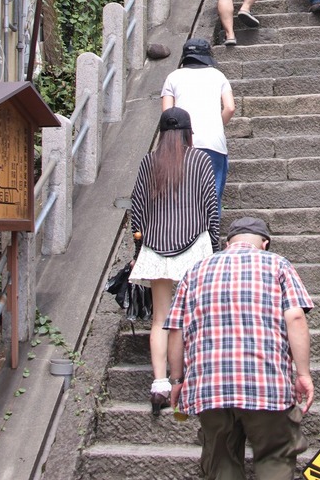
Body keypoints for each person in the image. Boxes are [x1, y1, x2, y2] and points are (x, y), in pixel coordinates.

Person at [166, 216, 314, 480]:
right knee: (275, 455)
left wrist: (177, 380)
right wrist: (302, 374)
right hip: (267, 384)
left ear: (227, 242)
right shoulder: (278, 265)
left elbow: (176, 329)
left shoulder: (195, 270)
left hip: (208, 387)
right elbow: (295, 317)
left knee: (220, 460)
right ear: (265, 243)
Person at [129, 107, 219, 415]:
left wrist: (137, 247)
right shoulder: (201, 160)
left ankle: (160, 383)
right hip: (194, 243)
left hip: (155, 246)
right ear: (188, 132)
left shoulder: (148, 162)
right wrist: (215, 246)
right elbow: (211, 208)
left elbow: (137, 210)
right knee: (193, 316)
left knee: (160, 319)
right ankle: (189, 377)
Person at [161, 38, 235, 214]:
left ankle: (184, 235)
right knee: (212, 195)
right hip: (213, 143)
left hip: (181, 144)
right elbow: (230, 108)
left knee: (182, 194)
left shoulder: (173, 77)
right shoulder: (218, 75)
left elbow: (167, 115)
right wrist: (217, 124)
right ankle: (210, 238)